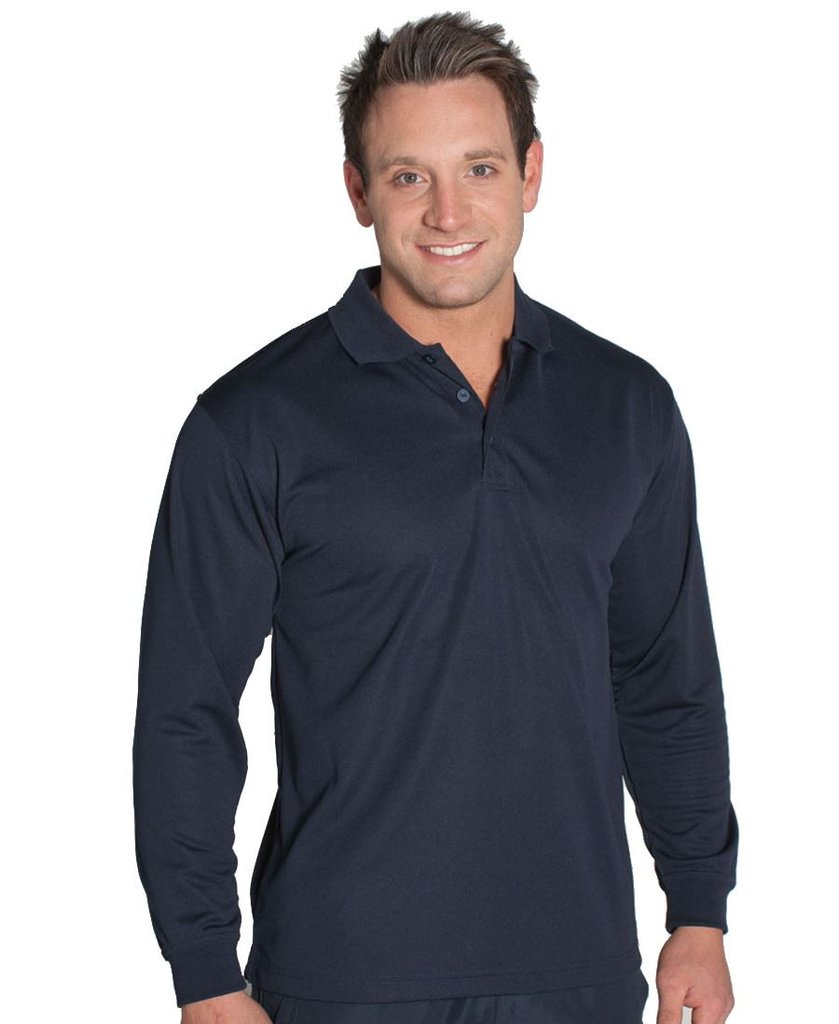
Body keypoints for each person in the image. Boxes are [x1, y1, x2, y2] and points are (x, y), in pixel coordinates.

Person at [133, 12, 738, 1024]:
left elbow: (664, 680)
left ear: (531, 173)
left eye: (480, 169)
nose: (447, 210)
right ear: (357, 190)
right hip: (338, 978)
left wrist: (698, 910)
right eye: (408, 175)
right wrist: (203, 972)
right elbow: (184, 712)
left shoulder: (625, 407)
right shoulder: (253, 421)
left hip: (577, 971)